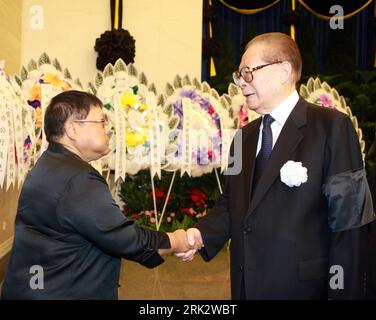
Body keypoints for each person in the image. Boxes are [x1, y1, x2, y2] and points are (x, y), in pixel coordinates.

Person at [178, 32, 375, 299]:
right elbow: (230, 204)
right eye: (239, 75)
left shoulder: (331, 128)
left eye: (249, 72)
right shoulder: (243, 139)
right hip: (247, 287)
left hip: (304, 290)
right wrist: (198, 234)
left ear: (284, 70)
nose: (242, 83)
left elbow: (349, 224)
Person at [1, 90, 195, 300]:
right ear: (73, 129)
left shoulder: (50, 163)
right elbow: (125, 239)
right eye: (101, 122)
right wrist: (176, 240)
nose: (108, 130)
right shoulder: (78, 178)